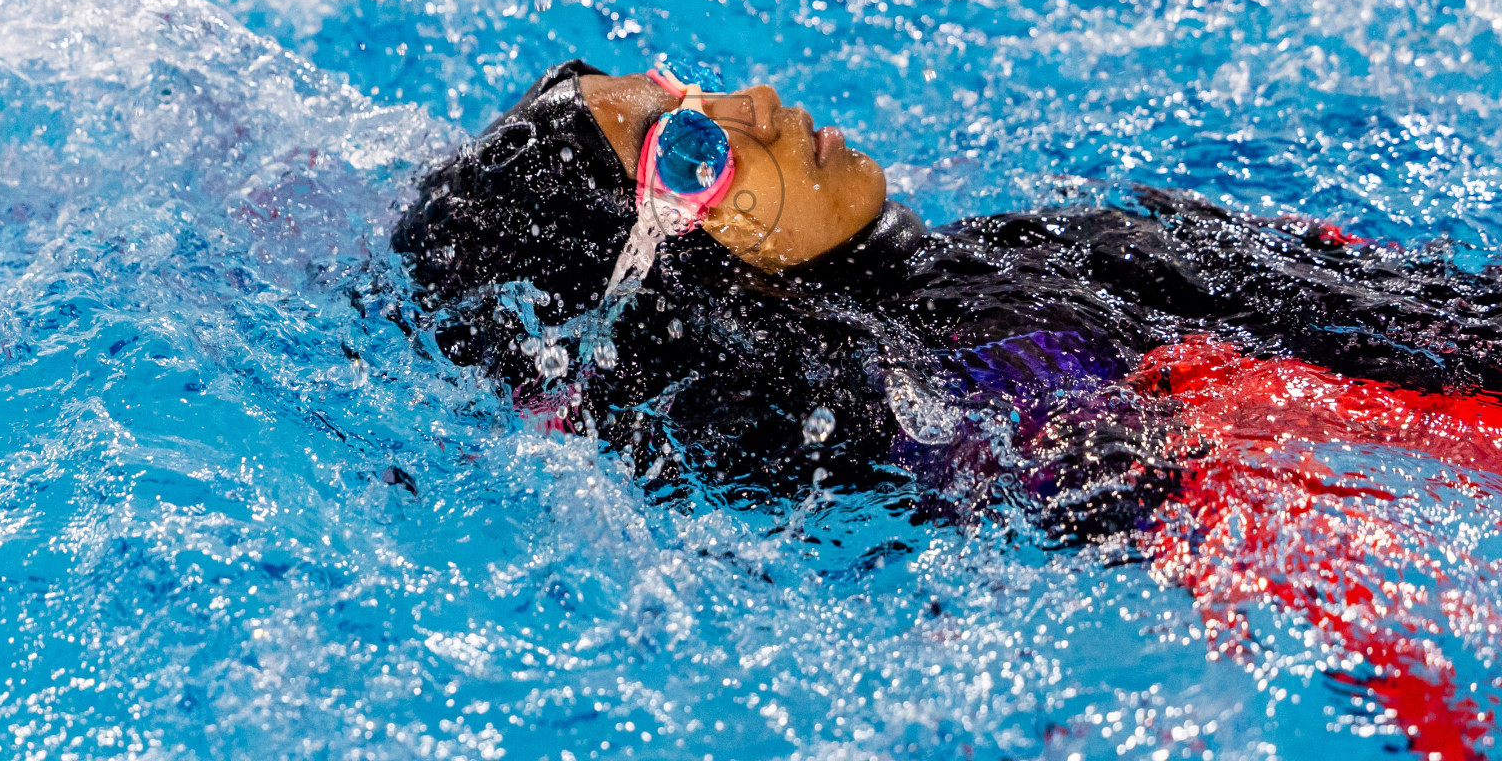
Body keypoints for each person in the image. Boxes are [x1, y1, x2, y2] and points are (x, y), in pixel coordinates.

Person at [392, 60, 1502, 757]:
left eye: (690, 95)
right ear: (673, 285)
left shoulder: (991, 268)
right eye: (690, 147)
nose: (758, 105)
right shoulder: (968, 390)